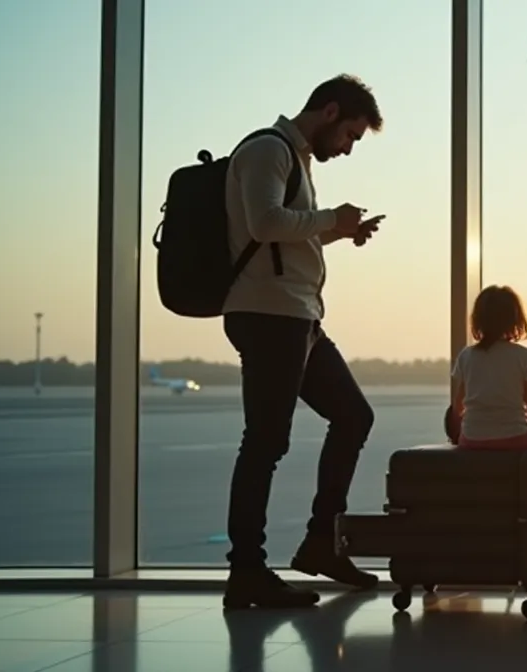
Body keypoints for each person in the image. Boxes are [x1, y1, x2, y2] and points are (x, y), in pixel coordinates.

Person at [221, 74, 385, 610]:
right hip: (270, 317)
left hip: (298, 319)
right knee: (265, 443)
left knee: (353, 416)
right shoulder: (269, 150)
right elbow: (264, 222)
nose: (348, 148)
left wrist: (338, 230)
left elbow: (284, 233)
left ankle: (319, 544)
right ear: (331, 112)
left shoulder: (295, 159)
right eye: (351, 136)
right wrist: (329, 218)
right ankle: (246, 570)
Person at [449, 285, 527, 449]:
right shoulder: (524, 356)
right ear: (515, 319)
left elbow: (458, 405)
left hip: (472, 439)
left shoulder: (466, 356)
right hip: (517, 437)